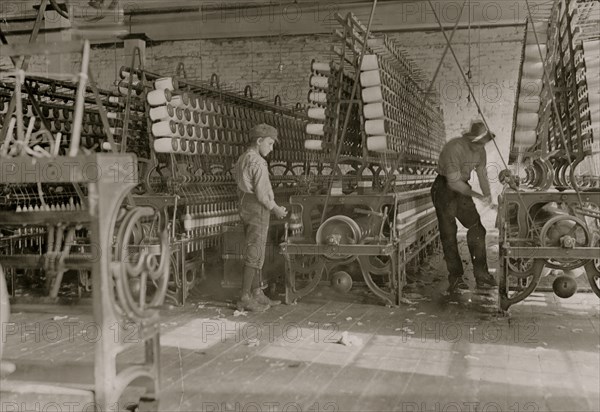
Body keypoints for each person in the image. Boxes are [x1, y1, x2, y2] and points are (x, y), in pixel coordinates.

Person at [431, 119, 498, 294]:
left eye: (482, 143)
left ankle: (482, 275)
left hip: (462, 188)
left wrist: (488, 195)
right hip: (444, 188)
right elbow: (453, 182)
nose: (479, 147)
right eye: (477, 143)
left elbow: (482, 173)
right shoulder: (454, 148)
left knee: (477, 229)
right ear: (470, 139)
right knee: (449, 233)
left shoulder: (480, 150)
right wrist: (477, 195)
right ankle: (456, 278)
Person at [233, 124, 288, 312]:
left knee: (254, 250)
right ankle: (244, 297)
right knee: (255, 251)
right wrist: (276, 209)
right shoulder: (257, 161)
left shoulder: (242, 158)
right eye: (270, 143)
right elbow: (263, 193)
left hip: (245, 205)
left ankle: (257, 293)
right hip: (258, 208)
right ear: (259, 141)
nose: (271, 148)